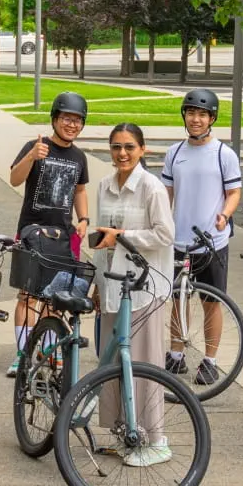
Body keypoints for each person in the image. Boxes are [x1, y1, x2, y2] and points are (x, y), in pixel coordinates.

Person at [90, 123, 175, 466]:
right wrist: (97, 283)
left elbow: (165, 235)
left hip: (143, 288)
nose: (122, 153)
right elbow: (101, 240)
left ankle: (155, 439)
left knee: (143, 362)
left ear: (143, 150)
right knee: (112, 361)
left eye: (128, 147)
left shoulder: (152, 188)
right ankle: (127, 432)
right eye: (115, 147)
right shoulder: (103, 187)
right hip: (112, 286)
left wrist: (124, 235)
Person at [6, 91, 90, 377]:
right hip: (31, 231)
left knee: (56, 298)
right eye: (67, 118)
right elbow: (15, 178)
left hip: (64, 236)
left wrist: (84, 219)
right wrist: (31, 156)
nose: (72, 125)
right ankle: (23, 354)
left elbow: (79, 190)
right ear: (55, 119)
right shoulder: (36, 146)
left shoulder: (79, 156)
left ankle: (50, 352)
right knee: (28, 296)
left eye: (77, 121)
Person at [161, 89, 242, 386]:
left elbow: (234, 192)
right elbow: (166, 194)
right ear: (184, 115)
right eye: (191, 113)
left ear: (212, 118)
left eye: (202, 114)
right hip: (179, 241)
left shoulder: (224, 154)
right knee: (178, 300)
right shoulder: (175, 153)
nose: (196, 119)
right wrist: (161, 222)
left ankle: (210, 360)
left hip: (212, 242)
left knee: (211, 301)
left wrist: (224, 214)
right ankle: (176, 354)